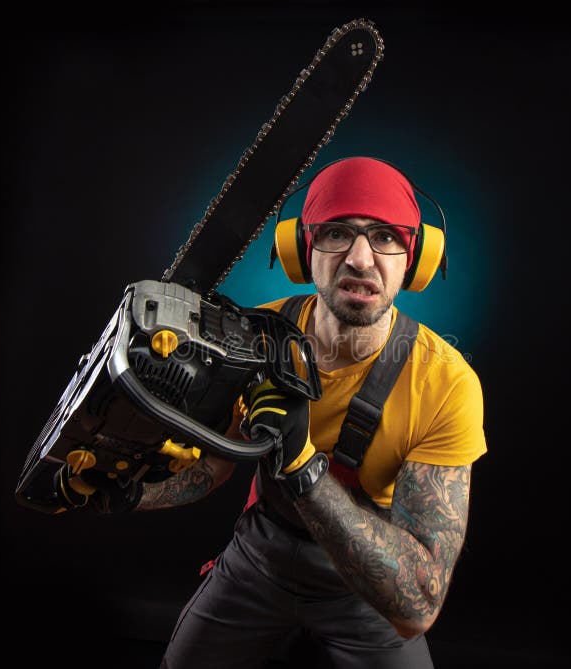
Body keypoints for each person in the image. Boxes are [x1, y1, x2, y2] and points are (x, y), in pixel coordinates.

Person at [56, 156, 487, 668]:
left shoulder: (445, 382)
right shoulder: (254, 339)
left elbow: (417, 603)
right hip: (260, 561)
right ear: (301, 250)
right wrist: (130, 495)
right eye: (336, 233)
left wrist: (301, 467)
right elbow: (213, 466)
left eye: (386, 236)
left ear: (416, 258)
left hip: (367, 584)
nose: (360, 259)